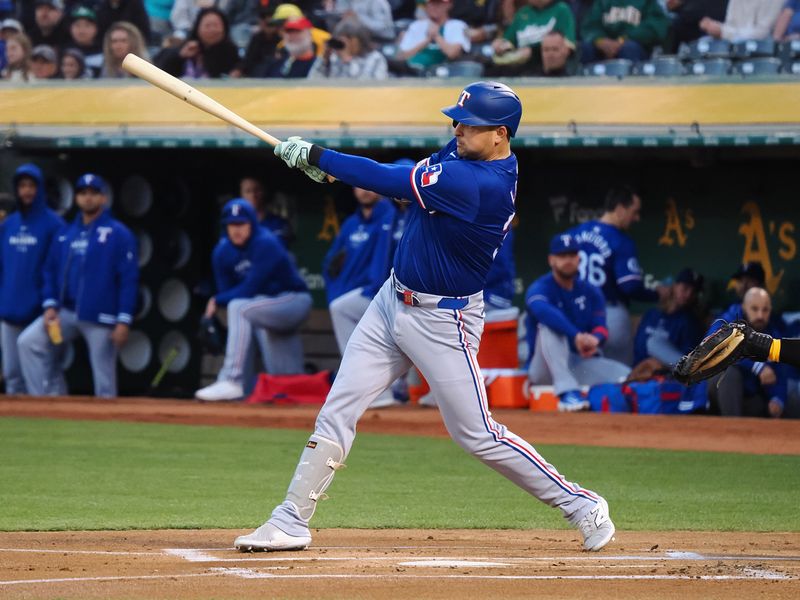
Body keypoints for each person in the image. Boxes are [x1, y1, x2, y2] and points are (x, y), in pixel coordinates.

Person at [233, 81, 616, 554]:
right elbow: (406, 174)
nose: (456, 129)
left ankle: (582, 504)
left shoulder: (482, 184)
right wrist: (331, 173)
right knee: (338, 408)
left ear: (500, 133)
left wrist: (318, 155)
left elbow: (391, 181)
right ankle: (290, 518)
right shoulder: (467, 154)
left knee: (477, 434)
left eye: (468, 124)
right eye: (456, 119)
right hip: (392, 299)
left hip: (444, 322)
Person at [18, 174, 138, 398]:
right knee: (29, 342)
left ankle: (108, 425)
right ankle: (42, 403)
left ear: (103, 198)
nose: (88, 198)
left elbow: (129, 279)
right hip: (66, 312)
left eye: (93, 193)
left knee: (103, 378)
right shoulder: (66, 232)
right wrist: (50, 305)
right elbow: (49, 270)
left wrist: (124, 319)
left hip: (100, 316)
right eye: (83, 193)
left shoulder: (118, 233)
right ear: (76, 198)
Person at [194, 199, 312, 401]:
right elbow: (230, 291)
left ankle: (233, 379)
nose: (236, 230)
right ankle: (240, 390)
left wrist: (216, 300)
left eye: (241, 224)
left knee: (240, 308)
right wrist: (220, 306)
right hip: (263, 306)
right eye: (232, 225)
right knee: (287, 384)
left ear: (252, 224)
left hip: (293, 301)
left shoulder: (266, 243)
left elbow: (249, 289)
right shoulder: (221, 252)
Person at [525, 233, 630, 411]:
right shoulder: (540, 287)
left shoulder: (591, 291)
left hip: (578, 364)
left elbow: (601, 326)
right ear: (551, 260)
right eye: (562, 256)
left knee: (626, 376)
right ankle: (567, 393)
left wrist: (595, 339)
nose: (568, 260)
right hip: (544, 368)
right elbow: (542, 311)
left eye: (572, 255)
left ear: (579, 258)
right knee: (549, 327)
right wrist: (575, 336)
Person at [565, 186, 668, 366]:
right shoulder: (620, 240)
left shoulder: (574, 234)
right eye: (634, 212)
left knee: (581, 376)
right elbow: (630, 286)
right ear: (620, 209)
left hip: (575, 314)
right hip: (608, 314)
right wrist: (657, 294)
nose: (636, 218)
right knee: (618, 378)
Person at [323, 186, 399, 408]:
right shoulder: (350, 224)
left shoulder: (389, 214)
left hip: (381, 293)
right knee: (342, 310)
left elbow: (381, 265)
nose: (364, 191)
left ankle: (369, 387)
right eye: (359, 185)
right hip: (359, 295)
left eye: (368, 185)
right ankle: (365, 386)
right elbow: (331, 264)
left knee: (342, 310)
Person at [0, 164, 65, 395]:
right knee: (13, 376)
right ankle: (17, 430)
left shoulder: (54, 224)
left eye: (31, 186)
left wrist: (52, 303)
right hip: (9, 312)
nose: (26, 191)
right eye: (22, 186)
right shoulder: (9, 225)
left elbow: (58, 269)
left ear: (40, 189)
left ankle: (58, 422)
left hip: (40, 311)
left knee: (47, 374)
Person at [705, 288, 788, 418]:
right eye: (754, 309)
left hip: (748, 395)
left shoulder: (773, 333)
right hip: (715, 392)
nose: (760, 315)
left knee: (782, 402)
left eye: (765, 310)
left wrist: (778, 399)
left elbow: (781, 373)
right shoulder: (727, 321)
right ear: (744, 307)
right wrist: (757, 367)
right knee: (729, 373)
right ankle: (733, 429)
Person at [632, 267, 704, 376]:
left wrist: (659, 365)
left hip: (665, 376)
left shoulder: (690, 323)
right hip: (639, 372)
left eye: (693, 292)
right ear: (675, 286)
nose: (689, 295)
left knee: (653, 343)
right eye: (685, 288)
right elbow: (638, 346)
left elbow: (687, 360)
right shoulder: (651, 314)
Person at [491, 0, 576, 75]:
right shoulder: (523, 12)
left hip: (548, 69)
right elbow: (508, 40)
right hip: (520, 68)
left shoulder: (561, 10)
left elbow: (569, 45)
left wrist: (533, 51)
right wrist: (500, 44)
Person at [155, 7, 239, 78]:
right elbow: (160, 72)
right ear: (198, 28)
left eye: (216, 25)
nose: (212, 30)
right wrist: (180, 56)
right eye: (208, 26)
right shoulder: (185, 48)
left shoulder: (232, 53)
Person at [580, 0, 670, 63]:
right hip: (604, 47)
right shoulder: (601, 2)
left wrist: (623, 40)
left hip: (634, 48)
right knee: (585, 48)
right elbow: (589, 26)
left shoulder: (647, 2)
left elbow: (655, 28)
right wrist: (600, 40)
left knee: (629, 48)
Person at [396, 0, 470, 72]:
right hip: (413, 72)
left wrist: (437, 36)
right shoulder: (416, 26)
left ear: (448, 5)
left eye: (438, 4)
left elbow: (452, 53)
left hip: (443, 73)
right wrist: (427, 40)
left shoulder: (457, 25)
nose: (434, 7)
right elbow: (401, 57)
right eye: (431, 4)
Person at [308, 17, 389, 79]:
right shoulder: (332, 58)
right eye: (340, 38)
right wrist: (324, 61)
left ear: (359, 40)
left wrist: (347, 61)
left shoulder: (376, 59)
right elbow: (312, 82)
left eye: (348, 38)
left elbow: (367, 87)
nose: (344, 43)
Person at [238, 176, 293, 247]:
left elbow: (277, 250)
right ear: (241, 195)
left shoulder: (279, 223)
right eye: (248, 191)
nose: (253, 195)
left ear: (265, 192)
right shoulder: (234, 225)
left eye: (257, 190)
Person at [699, 0, 783, 41]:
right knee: (703, 42)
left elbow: (763, 33)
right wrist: (714, 26)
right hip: (733, 44)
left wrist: (722, 32)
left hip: (762, 47)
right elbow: (730, 25)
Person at [67, 6, 103, 75]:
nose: (82, 30)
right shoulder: (64, 52)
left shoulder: (104, 51)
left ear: (95, 29)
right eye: (77, 25)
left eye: (87, 25)